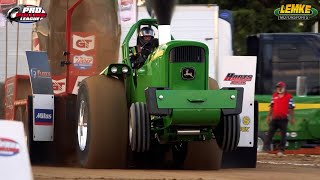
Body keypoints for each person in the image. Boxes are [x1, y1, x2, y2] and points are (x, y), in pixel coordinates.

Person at [264, 81, 295, 156]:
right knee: (269, 134)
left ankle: (281, 150)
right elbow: (271, 107)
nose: (279, 89)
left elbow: (291, 108)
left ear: (284, 88)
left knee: (283, 135)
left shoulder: (289, 97)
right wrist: (268, 116)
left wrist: (292, 118)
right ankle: (266, 149)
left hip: (283, 119)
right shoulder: (274, 96)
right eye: (278, 87)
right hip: (274, 119)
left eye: (281, 87)